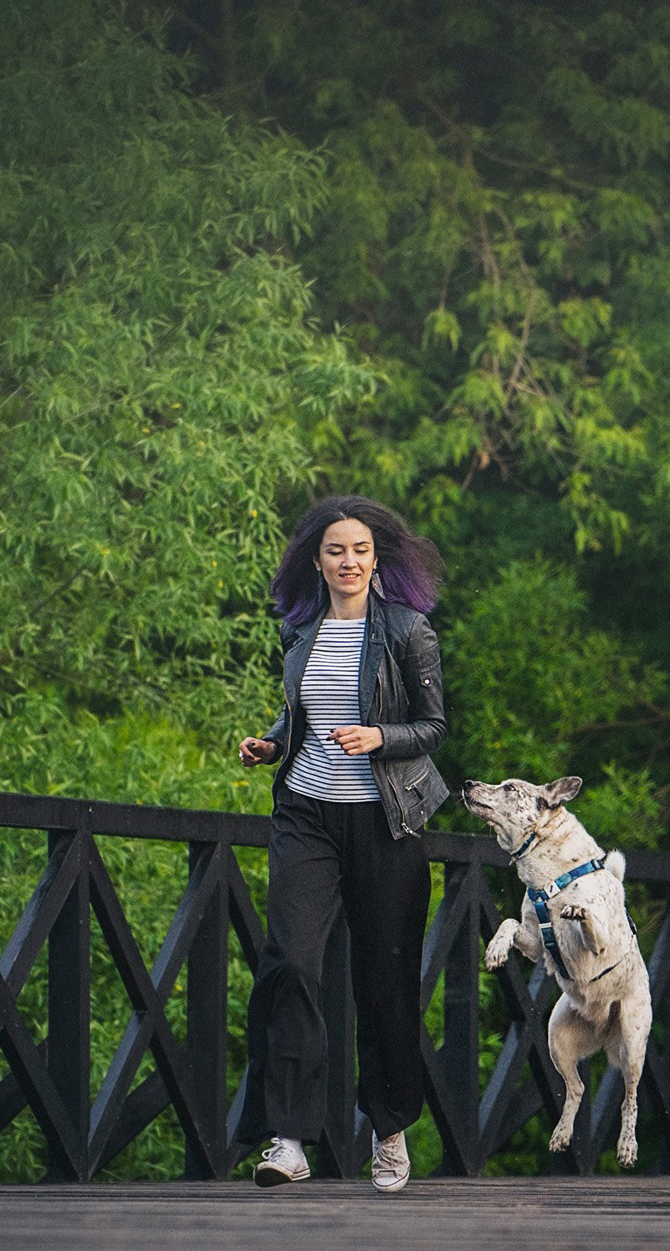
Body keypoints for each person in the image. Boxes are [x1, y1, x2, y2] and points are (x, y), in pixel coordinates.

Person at [234, 495, 449, 1194]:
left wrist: (380, 737)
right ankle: (289, 1139)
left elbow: (433, 726)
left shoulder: (408, 630)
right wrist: (271, 742)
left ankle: (388, 1129)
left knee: (385, 985)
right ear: (317, 560)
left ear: (376, 557)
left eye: (359, 550)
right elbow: (304, 708)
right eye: (335, 550)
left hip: (386, 822)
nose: (348, 561)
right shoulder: (302, 631)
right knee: (292, 963)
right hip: (308, 812)